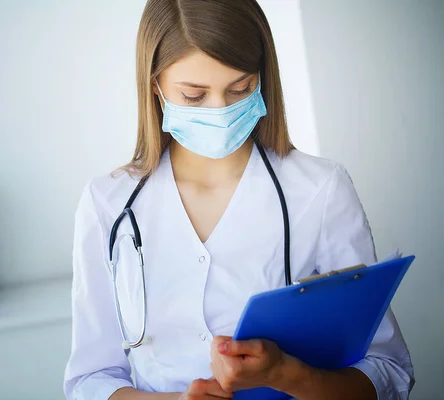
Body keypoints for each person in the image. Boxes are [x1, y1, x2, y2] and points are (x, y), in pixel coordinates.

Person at [63, 0, 414, 399]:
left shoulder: (320, 189)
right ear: (154, 85)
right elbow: (89, 381)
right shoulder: (108, 202)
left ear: (263, 77)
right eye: (194, 96)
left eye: (240, 88)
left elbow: (389, 371)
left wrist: (285, 374)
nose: (221, 110)